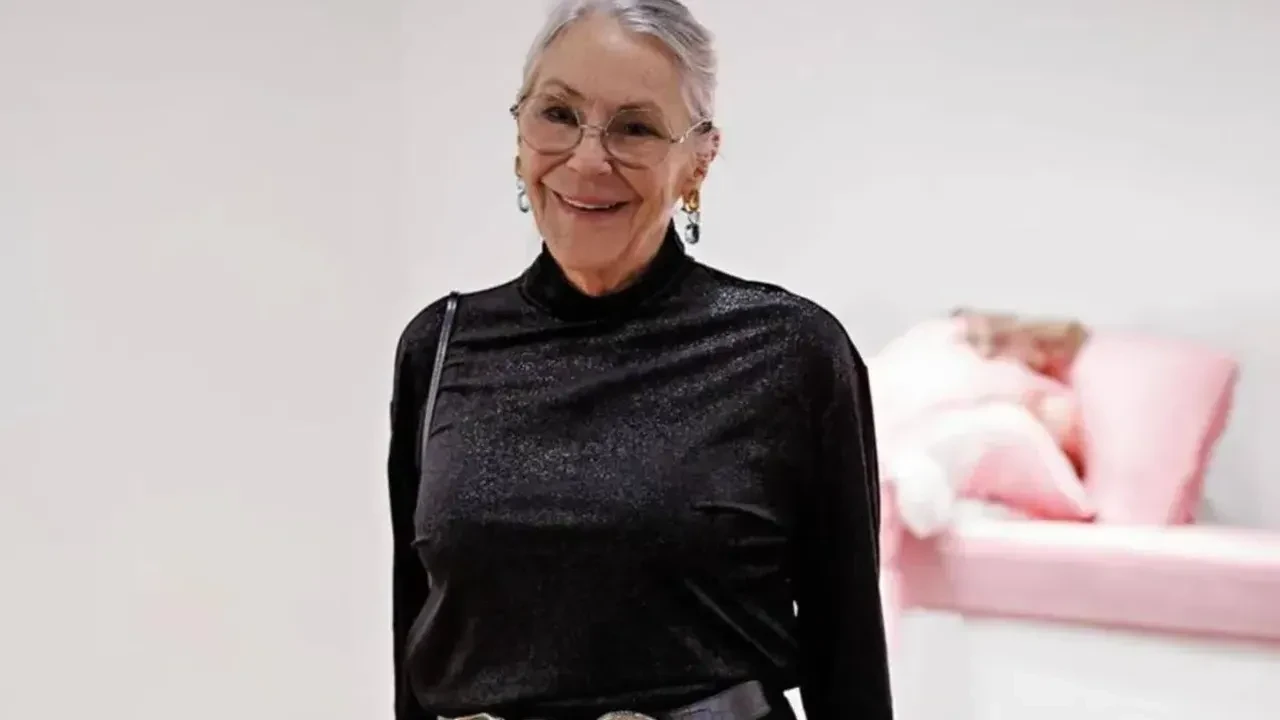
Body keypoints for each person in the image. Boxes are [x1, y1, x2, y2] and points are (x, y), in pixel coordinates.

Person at [387, 1, 892, 719]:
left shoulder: (792, 352)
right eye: (558, 115)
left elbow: (850, 662)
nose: (587, 160)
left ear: (699, 160)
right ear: (520, 134)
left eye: (635, 128)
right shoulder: (437, 347)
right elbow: (418, 641)